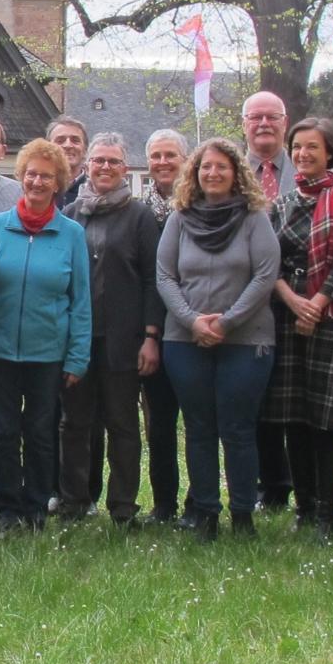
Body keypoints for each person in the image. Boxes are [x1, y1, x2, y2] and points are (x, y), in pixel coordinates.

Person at [156, 139, 279, 541]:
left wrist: (226, 323)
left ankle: (243, 515)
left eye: (222, 167)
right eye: (205, 167)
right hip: (184, 340)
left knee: (238, 429)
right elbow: (165, 276)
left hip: (246, 340)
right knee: (199, 428)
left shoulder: (254, 218)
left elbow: (265, 275)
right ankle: (205, 513)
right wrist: (193, 322)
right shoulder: (179, 218)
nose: (213, 173)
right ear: (194, 172)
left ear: (236, 172)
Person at [263, 117, 333, 539]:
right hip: (288, 318)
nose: (304, 154)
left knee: (323, 421)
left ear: (330, 153)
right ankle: (304, 507)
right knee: (293, 419)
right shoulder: (284, 202)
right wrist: (292, 302)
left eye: (313, 147)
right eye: (298, 148)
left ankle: (328, 513)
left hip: (329, 320)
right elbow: (267, 260)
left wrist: (317, 303)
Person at [0, 139, 90, 530]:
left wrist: (77, 356)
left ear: (59, 183)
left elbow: (81, 300)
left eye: (47, 176)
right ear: (21, 177)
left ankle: (36, 507)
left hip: (47, 353)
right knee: (2, 433)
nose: (38, 182)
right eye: (31, 174)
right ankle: (7, 507)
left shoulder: (72, 234)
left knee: (40, 434)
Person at [68, 133, 161, 528]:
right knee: (73, 424)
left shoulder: (140, 216)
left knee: (122, 426)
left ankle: (123, 506)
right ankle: (74, 502)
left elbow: (152, 280)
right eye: (98, 160)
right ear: (87, 165)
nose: (105, 167)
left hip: (123, 339)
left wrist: (151, 337)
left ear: (125, 169)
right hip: (77, 339)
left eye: (113, 161)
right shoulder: (72, 213)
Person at [239, 91, 294, 513]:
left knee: (294, 401)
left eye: (270, 117)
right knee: (255, 400)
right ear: (244, 125)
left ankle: (297, 486)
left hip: (298, 304)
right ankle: (265, 485)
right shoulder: (232, 174)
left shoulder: (306, 168)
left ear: (284, 122)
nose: (262, 124)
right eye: (254, 117)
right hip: (246, 304)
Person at [138, 128, 188, 523]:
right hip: (156, 328)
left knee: (202, 423)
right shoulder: (141, 213)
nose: (163, 162)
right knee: (159, 424)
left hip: (194, 328)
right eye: (156, 156)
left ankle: (202, 500)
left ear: (185, 159)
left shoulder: (199, 207)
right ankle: (164, 503)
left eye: (170, 154)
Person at [48, 116, 89, 208]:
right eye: (60, 141)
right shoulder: (35, 189)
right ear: (47, 148)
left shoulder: (96, 193)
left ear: (85, 149)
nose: (68, 145)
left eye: (75, 140)